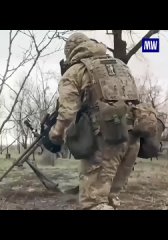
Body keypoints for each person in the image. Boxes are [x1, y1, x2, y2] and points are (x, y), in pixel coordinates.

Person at [48, 32, 159, 210]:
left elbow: (67, 112)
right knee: (110, 197)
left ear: (70, 51)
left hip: (106, 141)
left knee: (94, 202)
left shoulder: (75, 71)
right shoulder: (120, 65)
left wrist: (56, 133)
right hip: (133, 139)